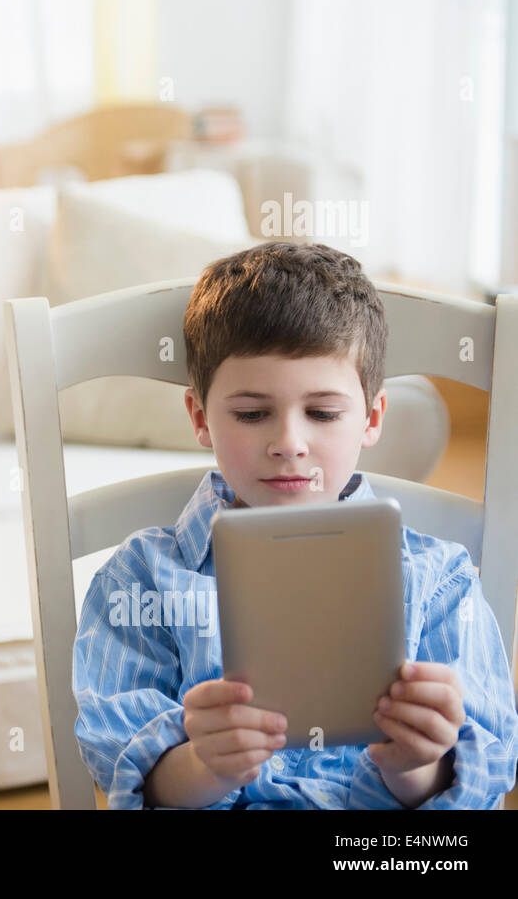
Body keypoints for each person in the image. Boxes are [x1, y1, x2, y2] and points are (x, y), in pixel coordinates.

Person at [72, 241, 518, 809]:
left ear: (371, 418)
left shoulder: (439, 580)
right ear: (201, 418)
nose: (288, 443)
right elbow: (122, 765)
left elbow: (484, 772)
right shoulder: (142, 579)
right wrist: (203, 765)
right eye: (253, 413)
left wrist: (417, 764)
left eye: (324, 413)